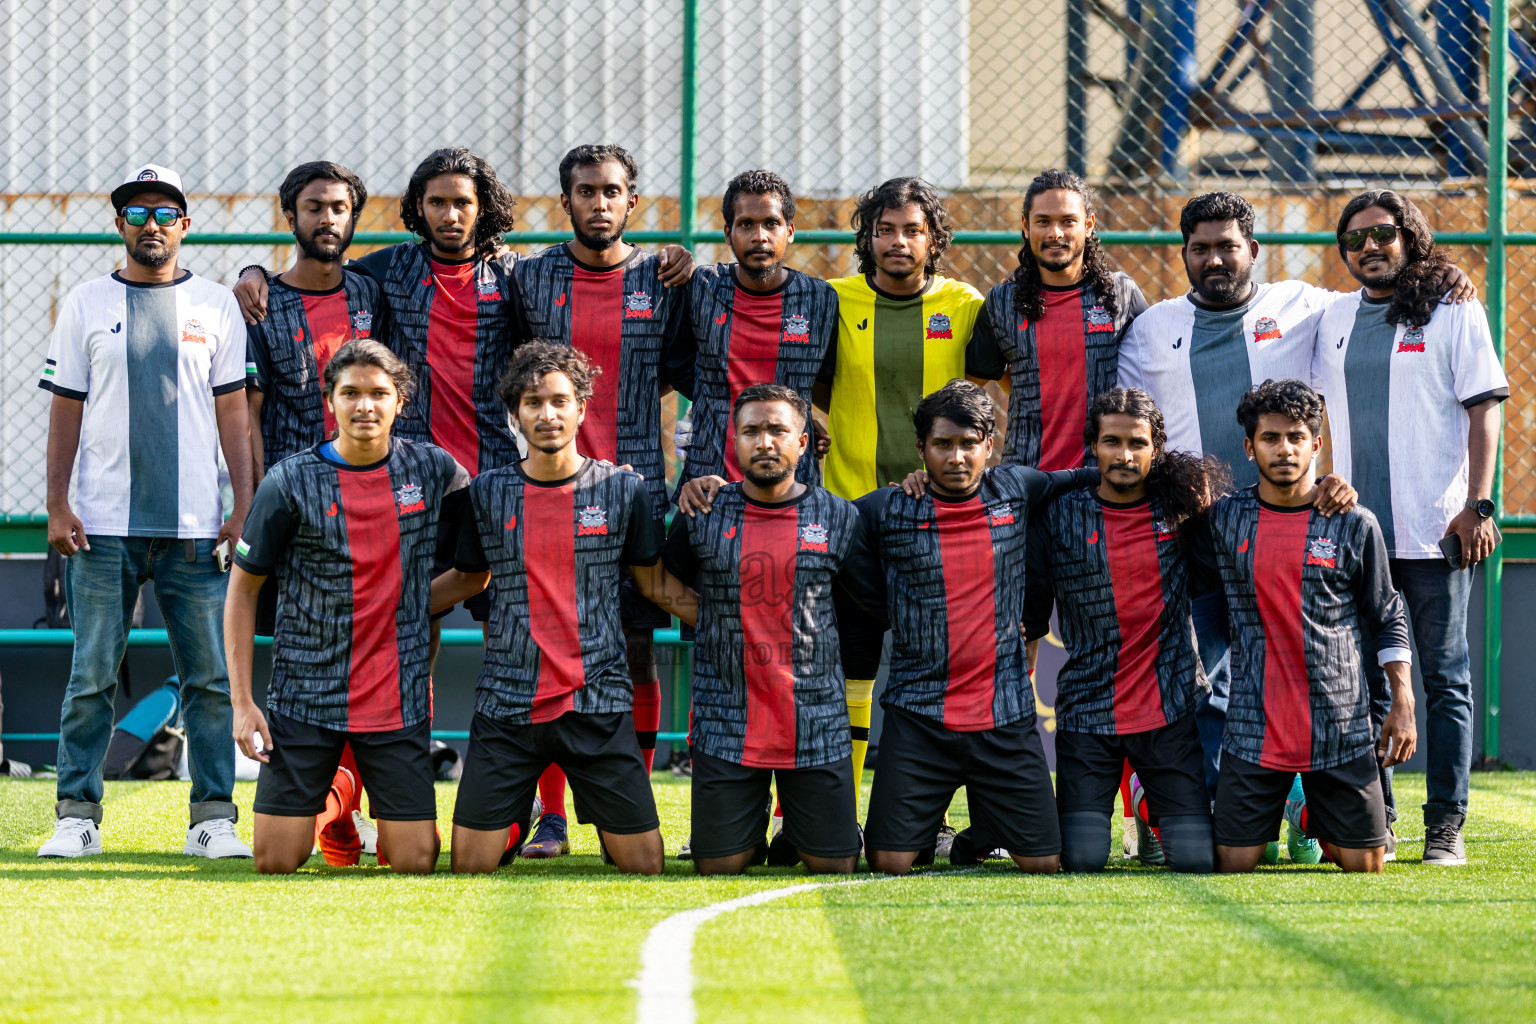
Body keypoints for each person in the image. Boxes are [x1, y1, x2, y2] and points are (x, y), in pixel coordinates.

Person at [1114, 192, 1381, 794]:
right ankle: (1189, 809)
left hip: (1290, 529)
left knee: (1305, 671)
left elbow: (1378, 303)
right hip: (1195, 538)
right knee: (1199, 676)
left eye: (1227, 247)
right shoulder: (1153, 329)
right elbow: (1129, 432)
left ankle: (1314, 806)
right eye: (1200, 248)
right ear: (1184, 253)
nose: (1214, 260)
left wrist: (1441, 281)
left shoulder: (1303, 305)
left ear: (1252, 250)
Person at [37, 164, 253, 860]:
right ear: (120, 224)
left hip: (196, 530)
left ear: (185, 225)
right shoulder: (85, 302)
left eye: (164, 213)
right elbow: (65, 407)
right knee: (92, 674)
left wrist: (242, 506)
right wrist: (56, 503)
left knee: (212, 678)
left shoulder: (217, 305)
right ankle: (77, 816)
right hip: (101, 526)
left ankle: (212, 820)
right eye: (136, 213)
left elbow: (234, 417)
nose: (150, 225)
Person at [432, 343, 696, 874]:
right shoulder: (486, 492)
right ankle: (512, 821)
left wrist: (730, 621)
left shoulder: (623, 489)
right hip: (506, 705)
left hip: (597, 701)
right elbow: (468, 578)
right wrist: (381, 608)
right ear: (515, 414)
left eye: (559, 401)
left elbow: (653, 583)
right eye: (533, 403)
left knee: (644, 865)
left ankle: (582, 814)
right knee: (468, 866)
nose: (547, 414)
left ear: (581, 408)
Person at [512, 144, 698, 857]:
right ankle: (552, 816)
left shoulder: (665, 278)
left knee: (636, 648)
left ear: (632, 202)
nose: (598, 202)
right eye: (585, 191)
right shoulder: (531, 280)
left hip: (640, 492)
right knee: (551, 648)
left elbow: (700, 361)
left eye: (611, 191)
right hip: (548, 490)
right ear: (566, 202)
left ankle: (635, 805)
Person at [1312, 190, 1509, 865]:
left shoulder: (1452, 306)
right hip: (1356, 537)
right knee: (1363, 680)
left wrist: (1479, 505)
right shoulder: (1332, 318)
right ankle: (1380, 819)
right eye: (1356, 240)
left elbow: (1486, 409)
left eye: (1384, 234)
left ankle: (1445, 825)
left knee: (1445, 678)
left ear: (1410, 238)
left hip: (1435, 532)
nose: (1371, 247)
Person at [226, 341, 468, 875]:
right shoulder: (289, 480)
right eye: (351, 393)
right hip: (305, 696)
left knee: (415, 862)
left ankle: (350, 785)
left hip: (395, 698)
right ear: (330, 401)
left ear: (400, 401)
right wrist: (242, 702)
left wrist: (404, 602)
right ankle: (339, 797)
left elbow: (476, 569)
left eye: (379, 393)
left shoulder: (435, 471)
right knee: (275, 861)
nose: (365, 406)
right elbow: (242, 590)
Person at [856, 381, 1092, 875]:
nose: (957, 456)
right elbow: (807, 514)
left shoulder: (1017, 488)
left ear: (990, 445)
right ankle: (922, 832)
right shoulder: (885, 509)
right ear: (921, 450)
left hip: (1003, 714)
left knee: (1045, 864)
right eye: (942, 444)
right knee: (887, 863)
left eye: (969, 444)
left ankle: (976, 837)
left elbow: (1093, 477)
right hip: (918, 716)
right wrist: (714, 490)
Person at [1191, 379, 1416, 874]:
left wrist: (1403, 699)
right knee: (1234, 864)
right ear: (1250, 447)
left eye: (1296, 437)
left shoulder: (1355, 522)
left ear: (1317, 444)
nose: (1285, 449)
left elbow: (1388, 613)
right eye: (1270, 438)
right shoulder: (1226, 520)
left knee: (1366, 864)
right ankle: (1292, 805)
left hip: (1339, 723)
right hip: (1253, 725)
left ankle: (1309, 810)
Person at [663, 383, 883, 874]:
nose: (765, 442)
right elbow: (657, 579)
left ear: (802, 443)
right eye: (752, 431)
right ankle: (751, 812)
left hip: (816, 722)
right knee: (719, 866)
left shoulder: (838, 516)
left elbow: (872, 602)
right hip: (727, 719)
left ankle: (800, 817)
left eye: (778, 430)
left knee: (835, 865)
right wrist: (717, 615)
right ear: (735, 441)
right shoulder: (703, 511)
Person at [242, 160, 389, 862]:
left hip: (378, 509)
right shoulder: (262, 303)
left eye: (338, 207)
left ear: (353, 216)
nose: (326, 218)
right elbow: (250, 414)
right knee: (303, 659)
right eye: (313, 207)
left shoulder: (375, 290)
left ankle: (356, 801)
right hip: (296, 514)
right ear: (290, 215)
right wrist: (248, 508)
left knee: (386, 654)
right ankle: (319, 795)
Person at [1025, 388, 1223, 873]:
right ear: (1093, 444)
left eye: (1137, 443)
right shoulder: (1059, 515)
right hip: (1088, 710)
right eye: (1112, 442)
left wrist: (1325, 487)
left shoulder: (1182, 511)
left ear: (1156, 447)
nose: (1125, 455)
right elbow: (1032, 608)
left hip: (1170, 706)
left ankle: (1145, 798)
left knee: (1197, 860)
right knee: (1082, 860)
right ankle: (1134, 795)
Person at [966, 169, 1148, 470]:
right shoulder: (1002, 302)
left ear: (1088, 225)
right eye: (1043, 221)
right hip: (1026, 478)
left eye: (1068, 221)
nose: (1055, 233)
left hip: (1103, 477)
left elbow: (1155, 371)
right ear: (1026, 226)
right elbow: (973, 382)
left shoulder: (1120, 293)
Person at [676, 169, 836, 490]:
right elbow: (675, 367)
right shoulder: (701, 288)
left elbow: (825, 382)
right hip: (710, 481)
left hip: (793, 485)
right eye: (746, 224)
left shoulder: (820, 299)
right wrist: (710, 408)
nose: (759, 236)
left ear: (789, 231)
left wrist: (802, 415)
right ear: (727, 233)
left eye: (771, 224)